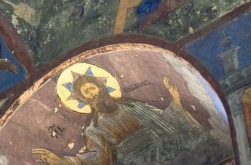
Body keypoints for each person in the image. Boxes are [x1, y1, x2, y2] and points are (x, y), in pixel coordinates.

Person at [33, 70, 207, 164]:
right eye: (86, 92)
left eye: (92, 88)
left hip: (168, 150)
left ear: (101, 87)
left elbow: (162, 119)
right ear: (83, 99)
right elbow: (97, 157)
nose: (92, 93)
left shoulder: (132, 105)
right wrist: (63, 162)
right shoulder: (94, 128)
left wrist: (176, 100)